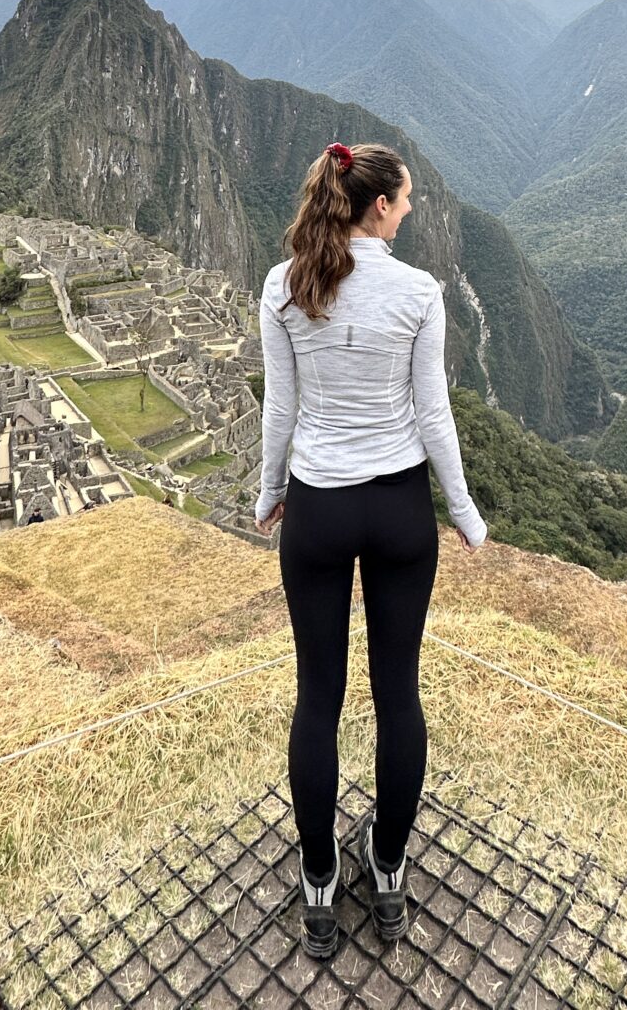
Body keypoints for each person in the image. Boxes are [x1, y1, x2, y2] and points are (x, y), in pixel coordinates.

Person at [254, 139, 488, 960]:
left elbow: (278, 415)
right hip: (398, 512)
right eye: (407, 199)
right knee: (399, 694)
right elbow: (434, 418)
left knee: (318, 696)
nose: (414, 208)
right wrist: (463, 510)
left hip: (317, 507)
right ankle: (386, 873)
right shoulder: (418, 292)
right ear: (379, 206)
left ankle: (319, 884)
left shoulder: (284, 287)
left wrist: (268, 495)